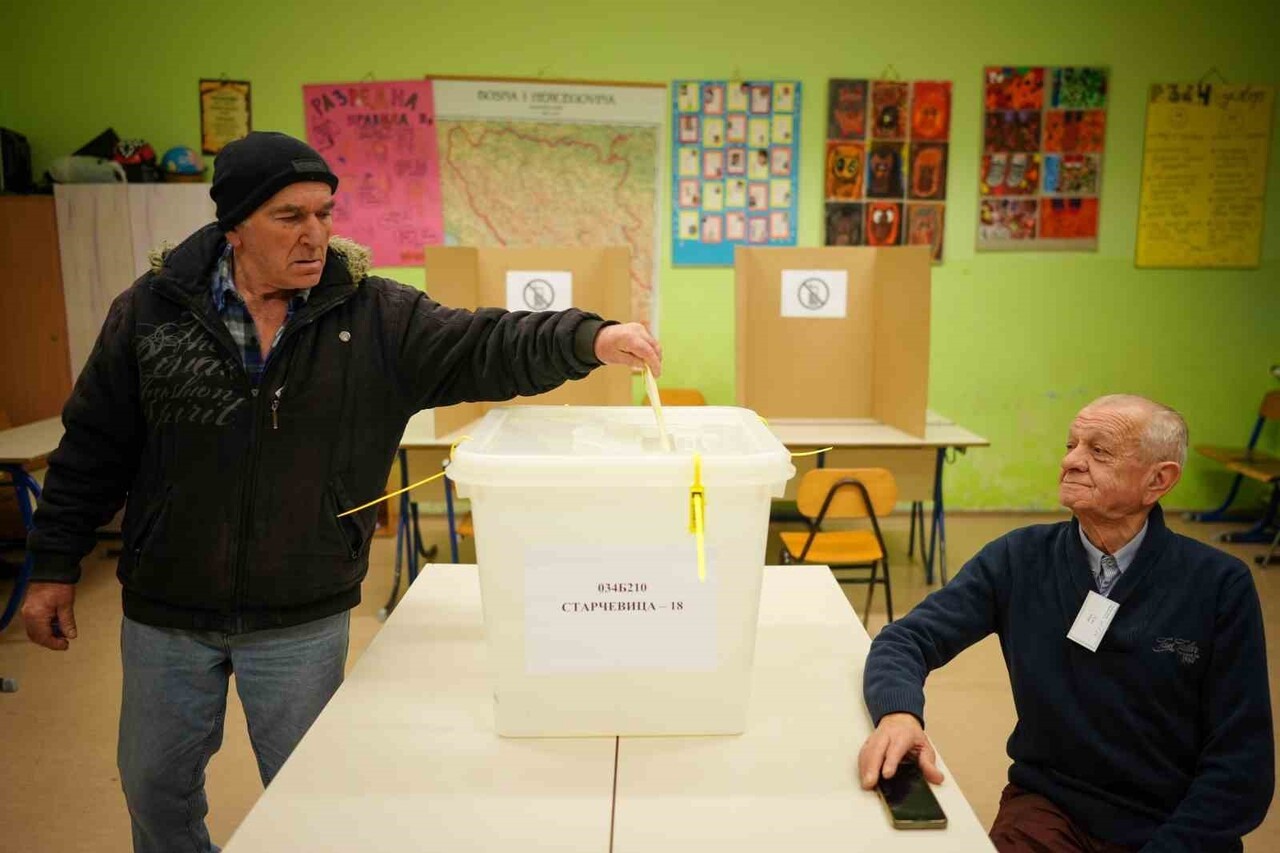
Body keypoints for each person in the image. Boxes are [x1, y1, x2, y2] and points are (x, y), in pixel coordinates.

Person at [21, 131, 661, 853]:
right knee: (154, 790)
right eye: (290, 217)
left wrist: (589, 339)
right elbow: (93, 445)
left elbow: (485, 343)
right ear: (234, 225)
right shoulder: (151, 312)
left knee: (313, 800)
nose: (316, 235)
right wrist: (53, 566)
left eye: (325, 213)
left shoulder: (375, 317)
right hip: (167, 608)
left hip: (301, 611)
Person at [858, 395, 1273, 852]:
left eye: (1099, 451)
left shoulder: (1218, 585)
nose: (1070, 461)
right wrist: (898, 714)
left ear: (1159, 480)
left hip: (1176, 823)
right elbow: (908, 638)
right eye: (1072, 444)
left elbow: (1242, 770)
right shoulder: (1019, 559)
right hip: (1049, 808)